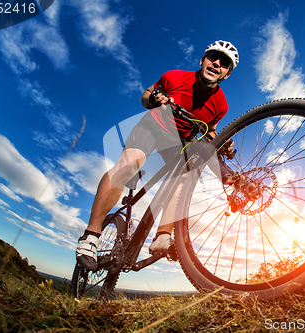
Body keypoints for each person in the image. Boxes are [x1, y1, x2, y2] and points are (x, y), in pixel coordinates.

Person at [76, 40, 239, 270]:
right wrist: (153, 99)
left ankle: (163, 235)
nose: (217, 63)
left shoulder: (221, 104)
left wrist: (220, 143)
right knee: (129, 164)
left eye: (224, 63)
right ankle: (91, 236)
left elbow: (209, 129)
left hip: (178, 141)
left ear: (227, 74)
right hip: (153, 127)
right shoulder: (174, 77)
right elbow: (146, 95)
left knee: (184, 176)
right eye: (213, 57)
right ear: (202, 60)